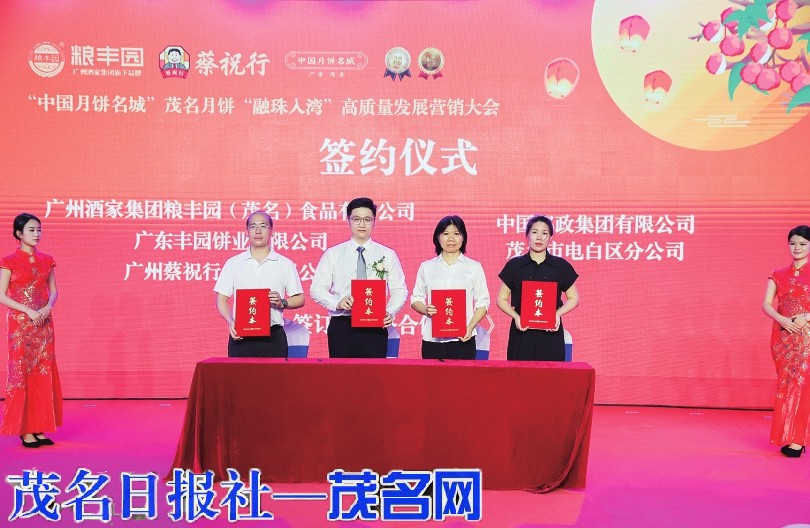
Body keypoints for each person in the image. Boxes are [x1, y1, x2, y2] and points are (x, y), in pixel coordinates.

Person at [310, 197, 407, 358]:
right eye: (356, 219)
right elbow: (316, 289)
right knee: (342, 372)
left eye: (367, 220)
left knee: (373, 372)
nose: (362, 224)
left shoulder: (387, 254)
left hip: (375, 324)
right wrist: (337, 303)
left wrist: (389, 311)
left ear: (374, 221)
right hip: (342, 324)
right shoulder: (333, 254)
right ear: (348, 220)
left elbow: (399, 290)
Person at [0, 213, 62, 448]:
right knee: (23, 373)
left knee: (43, 371)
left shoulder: (47, 260)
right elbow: (1, 295)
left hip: (43, 323)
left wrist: (47, 307)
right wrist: (28, 311)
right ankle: (25, 430)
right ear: (19, 233)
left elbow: (53, 290)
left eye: (39, 230)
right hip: (21, 325)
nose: (37, 234)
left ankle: (39, 427)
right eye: (32, 230)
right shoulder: (8, 261)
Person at [214, 211, 304, 358]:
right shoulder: (233, 263)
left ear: (271, 231)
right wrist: (230, 321)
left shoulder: (284, 263)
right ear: (247, 231)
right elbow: (221, 299)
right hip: (241, 336)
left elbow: (300, 298)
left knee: (274, 374)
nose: (258, 231)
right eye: (253, 226)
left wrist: (282, 302)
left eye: (263, 226)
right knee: (238, 374)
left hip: (273, 337)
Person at [496, 215, 579, 361]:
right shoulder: (515, 265)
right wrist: (516, 317)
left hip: (551, 333)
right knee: (519, 373)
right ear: (527, 235)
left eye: (544, 233)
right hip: (521, 332)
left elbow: (574, 298)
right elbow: (501, 299)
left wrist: (557, 314)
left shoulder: (560, 266)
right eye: (534, 232)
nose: (539, 237)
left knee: (551, 373)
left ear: (550, 237)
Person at [411, 215, 489, 359]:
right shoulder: (427, 267)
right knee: (432, 374)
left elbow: (483, 303)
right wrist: (426, 310)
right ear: (438, 237)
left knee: (463, 375)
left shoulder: (474, 267)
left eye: (456, 234)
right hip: (432, 339)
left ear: (463, 237)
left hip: (464, 338)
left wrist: (470, 327)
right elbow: (416, 299)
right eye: (446, 233)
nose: (451, 239)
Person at [762, 224, 810, 457]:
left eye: (802, 244)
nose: (797, 248)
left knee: (803, 383)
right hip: (783, 336)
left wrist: (806, 317)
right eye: (793, 243)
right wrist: (781, 319)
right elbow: (766, 304)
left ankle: (797, 440)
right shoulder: (778, 273)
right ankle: (788, 435)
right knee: (787, 383)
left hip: (807, 336)